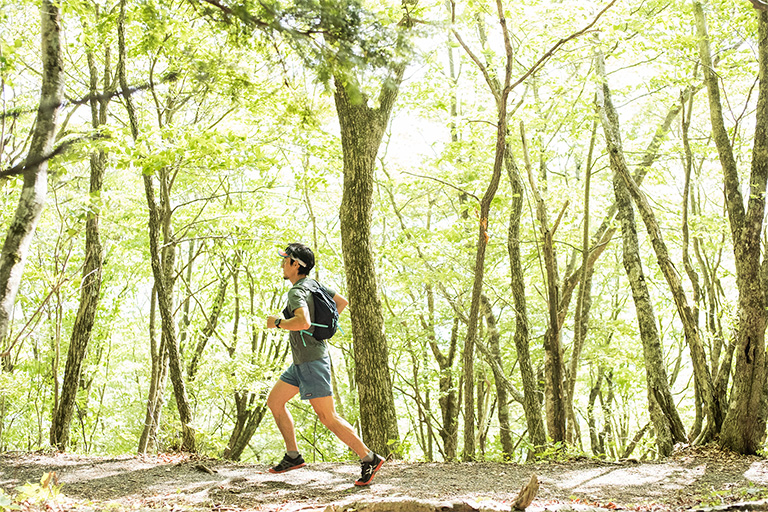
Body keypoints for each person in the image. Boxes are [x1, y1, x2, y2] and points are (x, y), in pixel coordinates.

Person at [266, 243, 384, 486]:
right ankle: (293, 455)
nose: (282, 263)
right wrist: (323, 330)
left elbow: (302, 322)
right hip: (302, 361)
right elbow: (341, 302)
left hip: (311, 362)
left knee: (327, 416)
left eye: (285, 259)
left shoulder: (297, 291)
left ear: (295, 264)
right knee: (275, 402)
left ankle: (369, 458)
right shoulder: (314, 285)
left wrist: (277, 322)